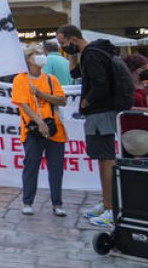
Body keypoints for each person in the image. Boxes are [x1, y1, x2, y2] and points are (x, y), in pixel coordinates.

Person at [57, 25, 120, 228]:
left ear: (73, 39)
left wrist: (85, 103)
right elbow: (75, 73)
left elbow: (101, 84)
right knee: (101, 159)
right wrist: (72, 54)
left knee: (106, 159)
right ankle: (106, 203)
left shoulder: (92, 54)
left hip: (100, 112)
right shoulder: (87, 54)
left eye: (63, 43)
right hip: (98, 113)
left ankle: (111, 209)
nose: (62, 47)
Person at [12, 44, 68, 218]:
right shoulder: (20, 79)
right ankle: (27, 202)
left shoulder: (51, 79)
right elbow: (23, 104)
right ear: (28, 59)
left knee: (56, 169)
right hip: (32, 130)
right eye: (35, 53)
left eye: (41, 53)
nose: (40, 56)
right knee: (31, 166)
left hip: (55, 130)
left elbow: (62, 100)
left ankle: (57, 203)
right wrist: (39, 122)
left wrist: (41, 94)